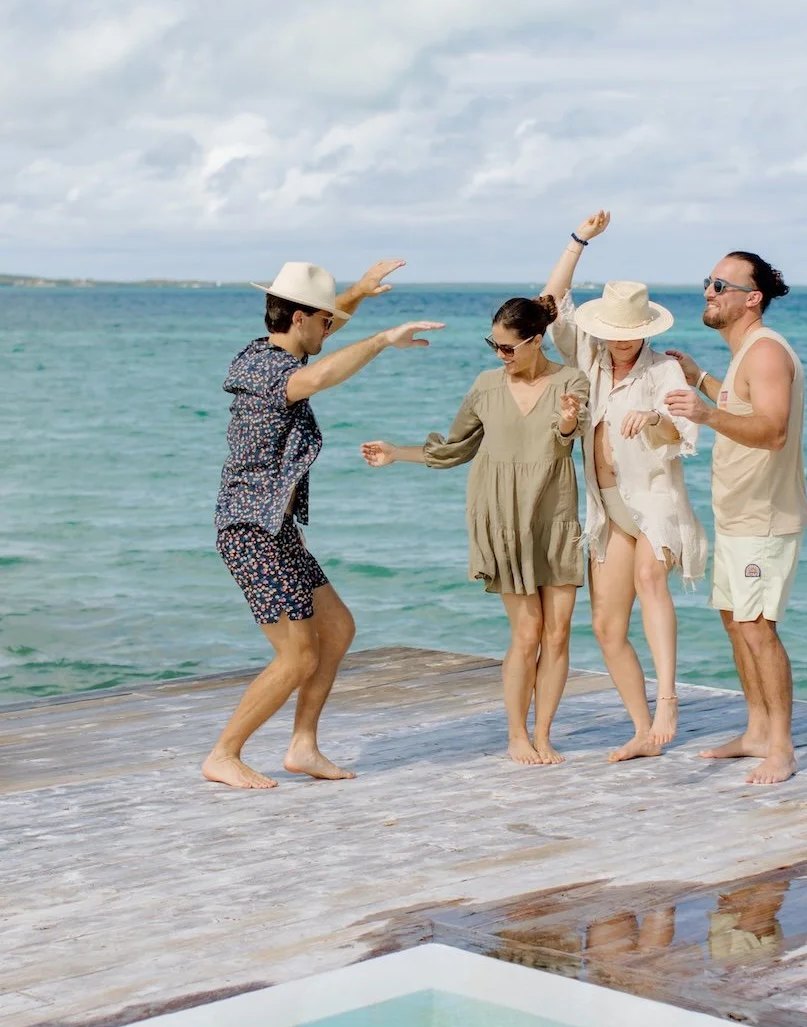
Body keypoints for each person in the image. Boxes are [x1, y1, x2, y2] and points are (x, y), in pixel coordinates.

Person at [203, 259, 443, 790]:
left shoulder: (266, 349)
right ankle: (224, 753)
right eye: (324, 320)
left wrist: (355, 292)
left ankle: (302, 746)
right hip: (251, 530)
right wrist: (383, 339)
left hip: (276, 528)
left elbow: (319, 344)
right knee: (296, 657)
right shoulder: (274, 371)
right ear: (297, 318)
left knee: (336, 629)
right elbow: (323, 373)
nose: (330, 329)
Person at [361, 295, 590, 766]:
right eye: (494, 345)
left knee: (560, 633)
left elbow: (570, 435)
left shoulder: (571, 380)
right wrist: (396, 452)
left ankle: (544, 734)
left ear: (536, 339)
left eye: (508, 348)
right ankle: (516, 735)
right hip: (500, 515)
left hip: (554, 513)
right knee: (528, 633)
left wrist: (569, 422)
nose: (499, 356)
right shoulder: (486, 386)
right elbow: (456, 448)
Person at [544, 213, 707, 763]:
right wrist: (577, 243)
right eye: (612, 332)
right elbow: (548, 304)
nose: (620, 342)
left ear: (646, 331)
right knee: (607, 626)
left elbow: (683, 436)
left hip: (655, 502)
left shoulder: (665, 373)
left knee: (648, 578)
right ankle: (643, 731)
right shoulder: (588, 357)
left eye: (629, 333)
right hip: (607, 508)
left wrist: (651, 419)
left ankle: (668, 701)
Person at [664, 252, 807, 786]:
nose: (709, 290)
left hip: (764, 519)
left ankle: (783, 746)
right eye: (708, 281)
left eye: (722, 284)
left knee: (756, 626)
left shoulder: (767, 353)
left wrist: (704, 414)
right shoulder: (747, 352)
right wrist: (701, 378)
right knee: (734, 621)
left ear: (753, 298)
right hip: (738, 517)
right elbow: (743, 403)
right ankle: (756, 732)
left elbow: (771, 430)